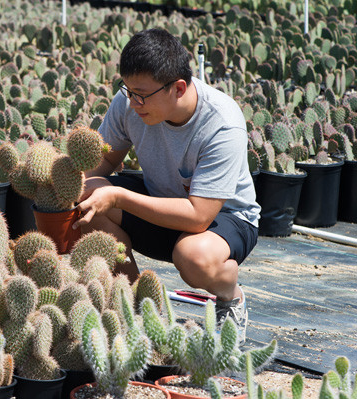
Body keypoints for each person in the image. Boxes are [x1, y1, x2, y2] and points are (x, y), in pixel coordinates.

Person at [72, 28, 260, 342]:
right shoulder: (130, 102)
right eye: (128, 90)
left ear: (178, 88)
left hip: (222, 220)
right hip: (160, 203)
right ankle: (137, 308)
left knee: (193, 258)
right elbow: (102, 164)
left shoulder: (222, 122)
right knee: (88, 199)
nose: (133, 102)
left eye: (141, 94)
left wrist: (118, 196)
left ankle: (231, 296)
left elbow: (199, 215)